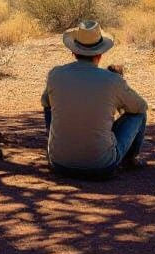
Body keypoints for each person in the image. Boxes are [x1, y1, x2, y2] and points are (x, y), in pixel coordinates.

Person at [41, 20, 148, 179]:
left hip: (59, 164)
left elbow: (45, 103)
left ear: (73, 52)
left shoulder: (55, 74)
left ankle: (60, 148)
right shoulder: (112, 80)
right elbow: (141, 106)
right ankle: (129, 159)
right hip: (102, 167)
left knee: (50, 106)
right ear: (100, 54)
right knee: (139, 115)